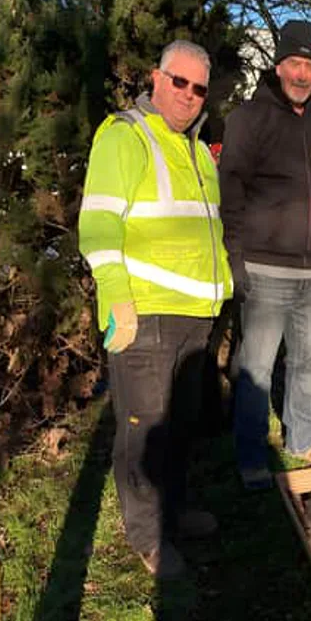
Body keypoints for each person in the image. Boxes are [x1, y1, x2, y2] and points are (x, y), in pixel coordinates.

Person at [78, 40, 233, 577]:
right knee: (145, 428)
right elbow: (98, 225)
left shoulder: (194, 149)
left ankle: (176, 507)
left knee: (183, 422)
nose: (188, 95)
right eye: (178, 81)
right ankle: (147, 536)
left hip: (195, 314)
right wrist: (116, 295)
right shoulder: (126, 136)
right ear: (155, 78)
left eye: (198, 88)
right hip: (142, 313)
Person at [219, 20, 311, 489]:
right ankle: (252, 454)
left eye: (310, 65)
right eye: (294, 63)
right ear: (278, 65)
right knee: (256, 369)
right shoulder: (248, 120)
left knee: (306, 362)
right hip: (263, 270)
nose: (302, 74)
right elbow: (230, 192)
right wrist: (234, 256)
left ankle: (301, 439)